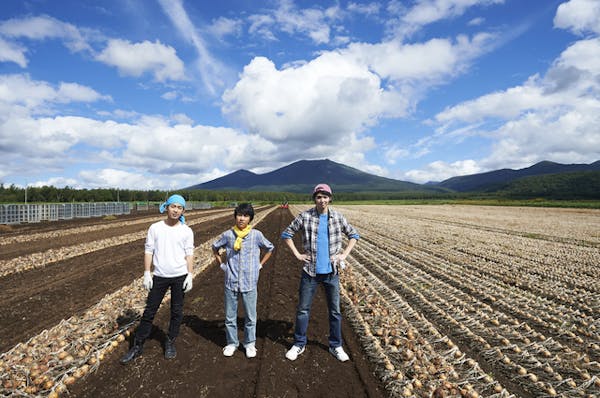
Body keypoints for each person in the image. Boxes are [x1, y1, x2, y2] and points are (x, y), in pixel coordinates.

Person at [282, 183, 359, 362]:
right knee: (303, 309)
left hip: (332, 273)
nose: (322, 200)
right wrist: (297, 254)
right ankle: (299, 343)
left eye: (325, 197)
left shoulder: (338, 218)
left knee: (334, 311)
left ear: (330, 198)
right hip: (310, 272)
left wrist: (343, 255)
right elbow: (287, 234)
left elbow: (354, 235)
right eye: (318, 197)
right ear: (314, 199)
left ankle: (336, 345)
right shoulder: (305, 217)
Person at [120, 194, 194, 364]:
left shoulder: (186, 231)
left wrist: (190, 274)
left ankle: (170, 341)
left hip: (179, 276)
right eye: (173, 206)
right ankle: (137, 346)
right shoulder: (155, 228)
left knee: (176, 312)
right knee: (149, 312)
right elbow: (149, 251)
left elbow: (189, 254)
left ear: (183, 210)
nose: (176, 210)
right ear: (166, 207)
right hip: (160, 276)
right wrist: (147, 272)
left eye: (179, 207)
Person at [212, 203, 274, 358]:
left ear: (250, 218)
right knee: (230, 316)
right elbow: (215, 248)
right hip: (231, 281)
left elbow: (270, 248)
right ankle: (232, 343)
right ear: (235, 216)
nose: (242, 218)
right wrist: (222, 265)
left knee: (251, 316)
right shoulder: (228, 235)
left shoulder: (256, 235)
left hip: (249, 282)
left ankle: (249, 344)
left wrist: (260, 264)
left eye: (245, 216)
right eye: (239, 215)